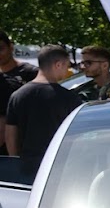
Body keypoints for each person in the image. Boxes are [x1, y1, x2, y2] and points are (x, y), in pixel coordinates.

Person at [4, 45, 82, 180]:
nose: (67, 71)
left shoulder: (17, 95)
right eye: (67, 66)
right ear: (58, 65)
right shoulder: (69, 98)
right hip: (58, 165)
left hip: (26, 166)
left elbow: (10, 133)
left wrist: (16, 160)